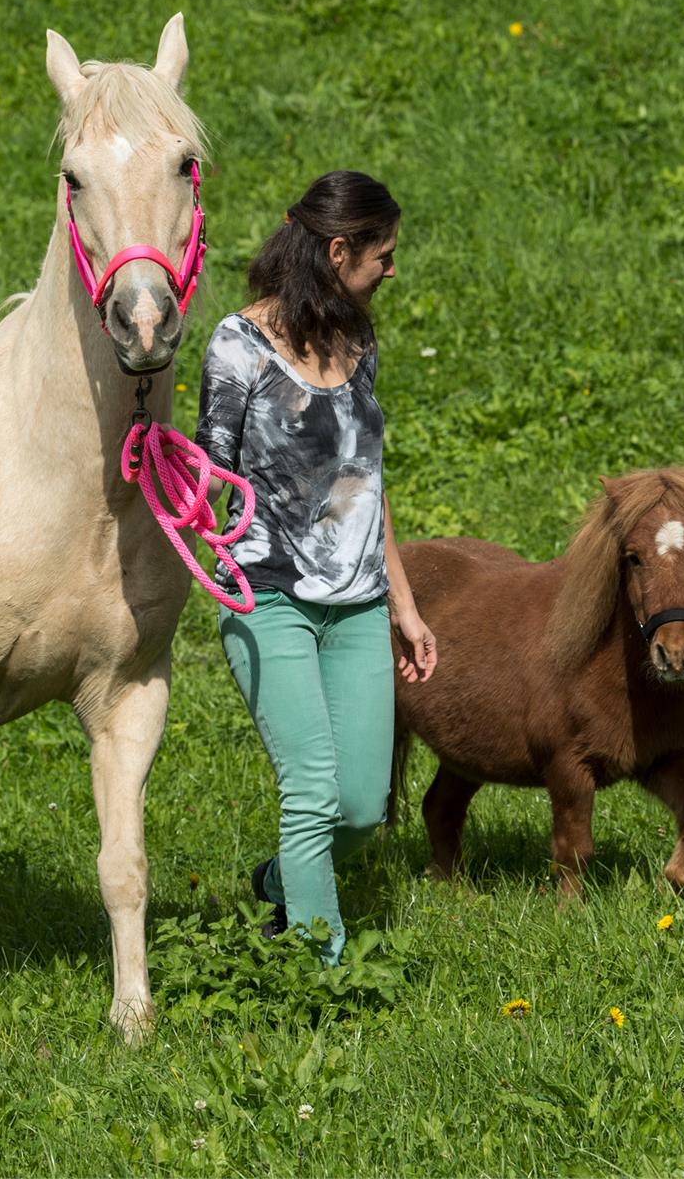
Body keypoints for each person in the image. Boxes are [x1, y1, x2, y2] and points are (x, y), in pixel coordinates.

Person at [194, 170, 437, 963]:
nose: (391, 270)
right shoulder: (238, 348)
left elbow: (367, 482)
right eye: (383, 255)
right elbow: (206, 479)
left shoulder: (359, 340)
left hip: (360, 606)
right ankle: (321, 977)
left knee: (363, 809)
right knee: (312, 795)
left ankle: (279, 886)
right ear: (340, 250)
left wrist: (402, 603)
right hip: (271, 601)